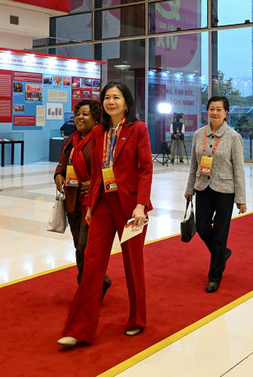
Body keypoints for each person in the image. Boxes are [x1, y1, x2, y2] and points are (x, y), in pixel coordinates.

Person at [58, 81, 152, 347]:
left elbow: (145, 168)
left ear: (126, 102)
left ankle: (137, 320)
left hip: (130, 207)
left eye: (117, 97)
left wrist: (141, 205)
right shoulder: (99, 131)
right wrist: (89, 207)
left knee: (133, 266)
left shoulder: (138, 129)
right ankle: (79, 328)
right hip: (102, 205)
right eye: (107, 97)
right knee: (92, 265)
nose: (111, 102)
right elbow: (99, 172)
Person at [185, 95, 247, 292]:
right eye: (212, 109)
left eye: (219, 109)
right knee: (202, 227)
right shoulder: (198, 134)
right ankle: (222, 254)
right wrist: (189, 189)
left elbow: (239, 169)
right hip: (203, 187)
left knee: (220, 234)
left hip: (225, 191)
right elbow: (193, 165)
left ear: (226, 112)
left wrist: (241, 199)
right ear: (208, 111)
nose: (215, 112)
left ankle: (214, 277)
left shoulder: (233, 137)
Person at [54, 99, 111, 296]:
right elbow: (62, 164)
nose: (80, 117)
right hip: (72, 201)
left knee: (85, 248)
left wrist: (97, 182)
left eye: (85, 114)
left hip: (92, 202)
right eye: (78, 113)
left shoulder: (103, 140)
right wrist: (58, 175)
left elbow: (111, 169)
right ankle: (95, 283)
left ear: (96, 118)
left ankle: (88, 290)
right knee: (79, 249)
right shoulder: (70, 140)